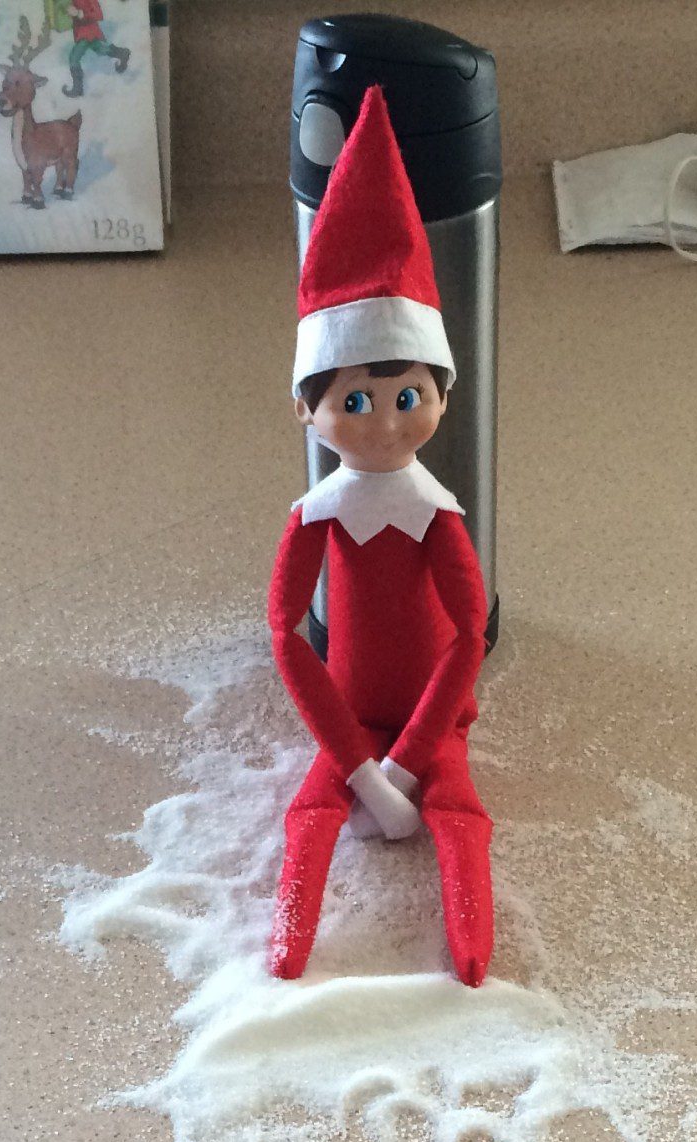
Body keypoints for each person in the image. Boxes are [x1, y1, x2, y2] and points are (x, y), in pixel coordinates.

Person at [267, 87, 493, 985]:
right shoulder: (315, 519)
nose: (386, 421)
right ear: (307, 409)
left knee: (460, 820)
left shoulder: (437, 516)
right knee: (310, 816)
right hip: (350, 714)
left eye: (408, 397)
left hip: (435, 720)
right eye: (355, 400)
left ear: (442, 395)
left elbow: (467, 635)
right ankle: (286, 953)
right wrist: (359, 767)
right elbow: (287, 636)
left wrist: (410, 760)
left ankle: (470, 961)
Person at [63, 0, 129, 97]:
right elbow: (76, 14)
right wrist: (71, 13)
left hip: (87, 34)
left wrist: (79, 13)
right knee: (101, 50)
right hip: (85, 33)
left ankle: (77, 89)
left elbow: (98, 14)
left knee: (74, 58)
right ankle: (122, 53)